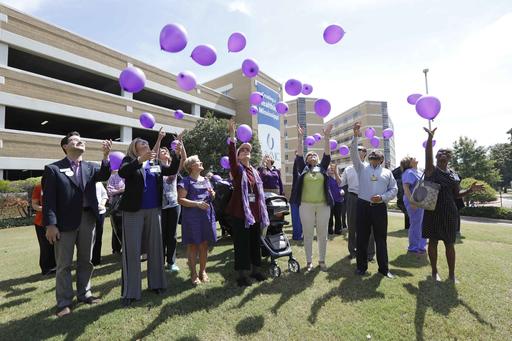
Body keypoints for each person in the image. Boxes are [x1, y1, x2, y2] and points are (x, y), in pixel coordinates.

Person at [42, 131, 112, 317]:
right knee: (64, 264)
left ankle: (85, 294)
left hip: (88, 220)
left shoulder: (90, 167)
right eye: (74, 140)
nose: (80, 141)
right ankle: (64, 302)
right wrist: (51, 224)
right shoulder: (53, 169)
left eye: (82, 140)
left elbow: (105, 174)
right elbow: (48, 200)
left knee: (86, 260)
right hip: (64, 224)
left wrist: (105, 156)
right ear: (65, 146)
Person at [117, 128, 180, 306]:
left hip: (154, 211)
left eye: (146, 143)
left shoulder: (156, 163)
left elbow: (173, 169)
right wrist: (139, 161)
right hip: (133, 212)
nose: (145, 144)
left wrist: (176, 153)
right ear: (134, 148)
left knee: (156, 248)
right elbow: (123, 173)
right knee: (132, 251)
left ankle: (157, 284)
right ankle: (131, 292)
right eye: (141, 143)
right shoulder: (129, 161)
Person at [422, 127, 483, 283]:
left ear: (449, 157)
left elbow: (456, 194)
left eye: (445, 152)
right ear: (436, 157)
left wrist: (470, 190)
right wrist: (430, 140)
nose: (442, 153)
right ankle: (434, 271)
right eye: (440, 152)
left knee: (450, 243)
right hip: (433, 210)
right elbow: (427, 155)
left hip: (450, 211)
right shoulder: (431, 170)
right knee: (433, 242)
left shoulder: (453, 174)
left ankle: (452, 274)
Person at [350, 122, 397, 278]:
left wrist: (382, 198)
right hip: (363, 206)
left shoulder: (387, 173)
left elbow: (394, 189)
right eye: (372, 156)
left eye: (377, 157)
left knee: (380, 239)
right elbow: (353, 155)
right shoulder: (361, 167)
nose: (373, 158)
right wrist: (355, 137)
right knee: (362, 238)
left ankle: (384, 269)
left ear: (381, 159)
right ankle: (361, 268)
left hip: (379, 208)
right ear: (369, 158)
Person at [227, 119, 270, 286]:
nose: (245, 152)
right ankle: (242, 275)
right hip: (240, 214)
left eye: (247, 150)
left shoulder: (255, 172)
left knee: (254, 243)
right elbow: (231, 157)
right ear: (238, 156)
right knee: (242, 245)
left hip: (256, 214)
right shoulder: (238, 170)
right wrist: (232, 135)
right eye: (242, 150)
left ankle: (256, 271)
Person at [290, 123, 334, 272]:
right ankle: (309, 262)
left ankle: (322, 261)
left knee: (323, 234)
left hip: (323, 205)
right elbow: (300, 154)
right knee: (308, 234)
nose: (313, 156)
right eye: (310, 155)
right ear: (307, 160)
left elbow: (327, 154)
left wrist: (327, 137)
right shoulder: (302, 168)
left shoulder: (322, 168)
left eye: (315, 155)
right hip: (305, 205)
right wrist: (300, 138)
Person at [178, 155, 217, 285]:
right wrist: (197, 204)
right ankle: (194, 273)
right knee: (193, 245)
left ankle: (203, 271)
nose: (201, 162)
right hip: (192, 217)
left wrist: (212, 195)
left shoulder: (206, 179)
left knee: (204, 245)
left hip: (206, 216)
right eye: (197, 161)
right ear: (191, 166)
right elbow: (181, 200)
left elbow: (211, 197)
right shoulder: (185, 181)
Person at [340, 146, 376, 260]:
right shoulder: (348, 169)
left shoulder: (370, 167)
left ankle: (370, 253)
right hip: (352, 198)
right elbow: (341, 183)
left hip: (366, 198)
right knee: (352, 226)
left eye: (358, 150)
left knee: (369, 227)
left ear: (364, 153)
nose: (354, 152)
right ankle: (353, 251)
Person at [160, 141, 186, 273]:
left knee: (172, 234)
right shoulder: (156, 168)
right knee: (161, 235)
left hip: (174, 205)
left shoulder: (173, 167)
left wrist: (181, 146)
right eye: (161, 151)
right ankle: (160, 261)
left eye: (165, 151)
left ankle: (171, 262)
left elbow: (184, 160)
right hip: (160, 206)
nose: (164, 152)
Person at [400, 156, 427, 254]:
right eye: (412, 158)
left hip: (421, 200)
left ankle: (421, 246)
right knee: (415, 223)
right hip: (413, 200)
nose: (415, 157)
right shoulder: (408, 172)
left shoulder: (419, 171)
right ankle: (413, 247)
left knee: (423, 224)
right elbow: (406, 188)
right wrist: (412, 202)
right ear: (409, 163)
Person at [31, 181, 56, 276]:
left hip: (56, 221)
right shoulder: (39, 186)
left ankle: (56, 266)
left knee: (56, 245)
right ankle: (46, 269)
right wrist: (45, 208)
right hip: (41, 222)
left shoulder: (57, 184)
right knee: (45, 246)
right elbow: (34, 205)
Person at [106, 170, 124, 254]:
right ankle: (116, 249)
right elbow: (109, 191)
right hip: (115, 207)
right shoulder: (113, 177)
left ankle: (126, 247)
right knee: (116, 228)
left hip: (127, 205)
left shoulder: (129, 174)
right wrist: (120, 190)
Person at [91, 182, 108, 265]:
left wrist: (102, 204)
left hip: (100, 212)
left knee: (98, 236)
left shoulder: (99, 183)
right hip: (89, 213)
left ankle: (96, 259)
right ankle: (88, 258)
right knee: (89, 237)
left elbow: (105, 195)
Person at [327, 163, 345, 235]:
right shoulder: (326, 178)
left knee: (338, 216)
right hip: (330, 200)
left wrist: (342, 191)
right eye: (330, 169)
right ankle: (330, 230)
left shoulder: (338, 176)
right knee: (329, 217)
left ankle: (338, 230)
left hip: (338, 200)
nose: (331, 170)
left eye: (333, 168)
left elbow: (340, 184)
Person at [289, 150, 303, 241]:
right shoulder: (296, 175)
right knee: (295, 219)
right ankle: (296, 236)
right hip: (294, 200)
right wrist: (297, 157)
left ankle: (301, 235)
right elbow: (295, 169)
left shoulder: (307, 176)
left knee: (302, 219)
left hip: (303, 200)